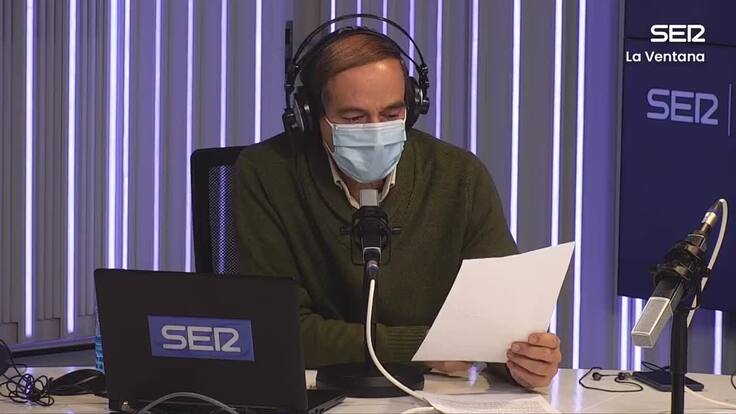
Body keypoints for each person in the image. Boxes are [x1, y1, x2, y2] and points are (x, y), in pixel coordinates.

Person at [234, 21, 561, 389]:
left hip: (434, 397)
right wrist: (421, 346)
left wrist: (523, 360)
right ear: (309, 116)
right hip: (313, 393)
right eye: (354, 118)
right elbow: (276, 330)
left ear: (413, 107)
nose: (376, 130)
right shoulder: (267, 173)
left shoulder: (459, 176)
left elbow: (500, 325)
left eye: (391, 114)